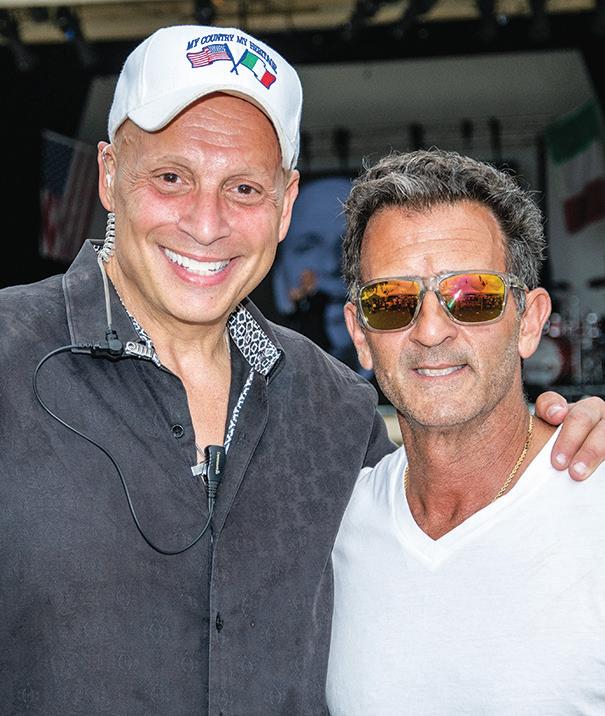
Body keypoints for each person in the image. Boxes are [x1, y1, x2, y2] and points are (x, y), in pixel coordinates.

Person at [0, 26, 602, 716]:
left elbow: (458, 491)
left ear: (283, 204)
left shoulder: (333, 409)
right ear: (109, 175)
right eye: (171, 178)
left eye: (244, 188)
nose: (206, 222)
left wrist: (575, 440)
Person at [328, 149, 605, 714]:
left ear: (528, 321)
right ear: (361, 335)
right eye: (392, 301)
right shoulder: (333, 530)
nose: (431, 330)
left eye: (472, 296)